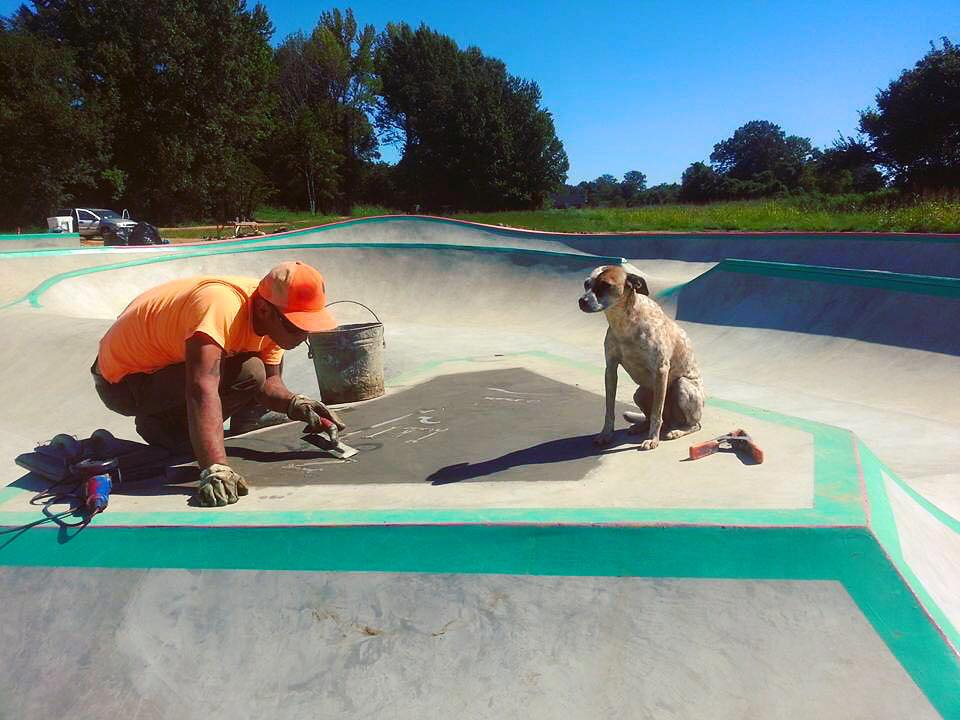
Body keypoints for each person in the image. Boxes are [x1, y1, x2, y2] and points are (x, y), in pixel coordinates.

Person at [91, 261, 344, 507]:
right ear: (266, 310)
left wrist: (296, 404)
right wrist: (215, 467)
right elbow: (202, 387)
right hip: (121, 381)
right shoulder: (221, 306)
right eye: (297, 327)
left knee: (252, 372)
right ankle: (166, 427)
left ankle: (172, 426)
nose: (303, 336)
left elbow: (269, 384)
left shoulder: (273, 312)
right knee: (248, 370)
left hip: (161, 369)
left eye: (307, 327)